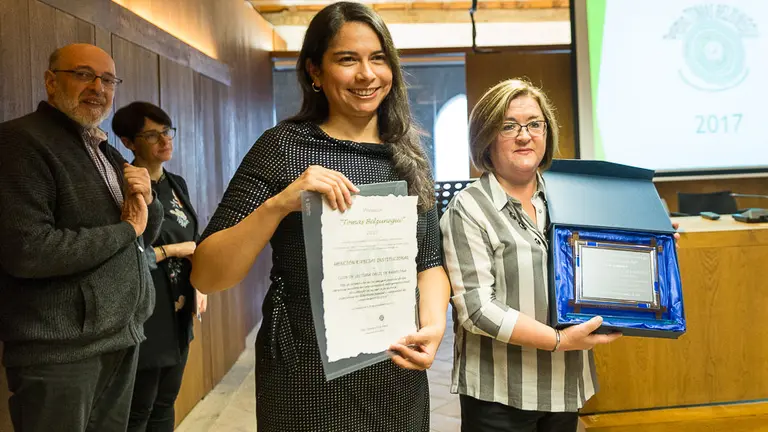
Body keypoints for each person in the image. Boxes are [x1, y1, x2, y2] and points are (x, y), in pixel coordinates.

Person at [190, 2, 450, 431]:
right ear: (315, 71)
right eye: (347, 59)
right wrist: (280, 204)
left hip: (395, 366)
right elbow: (207, 274)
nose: (366, 74)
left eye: (378, 58)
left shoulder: (408, 155)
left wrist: (435, 325)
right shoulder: (283, 147)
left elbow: (429, 262)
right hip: (305, 371)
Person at [440, 79, 623, 432]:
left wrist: (651, 243)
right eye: (508, 126)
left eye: (534, 124)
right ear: (486, 138)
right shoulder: (469, 208)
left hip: (565, 383)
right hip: (500, 393)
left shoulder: (571, 195)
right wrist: (557, 341)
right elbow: (476, 309)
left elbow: (610, 251)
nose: (524, 135)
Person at [0, 44, 163, 432]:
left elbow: (141, 236)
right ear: (51, 81)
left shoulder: (102, 149)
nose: (98, 87)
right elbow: (29, 250)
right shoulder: (21, 142)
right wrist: (125, 229)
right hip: (61, 351)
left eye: (108, 79)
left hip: (119, 336)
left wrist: (148, 200)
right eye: (84, 74)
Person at [112, 101, 207, 432]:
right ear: (128, 142)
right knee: (140, 407)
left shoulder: (175, 182)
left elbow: (195, 239)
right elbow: (127, 254)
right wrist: (175, 249)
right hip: (148, 308)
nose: (165, 140)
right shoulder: (123, 185)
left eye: (167, 131)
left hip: (179, 302)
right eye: (152, 135)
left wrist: (202, 283)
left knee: (167, 401)